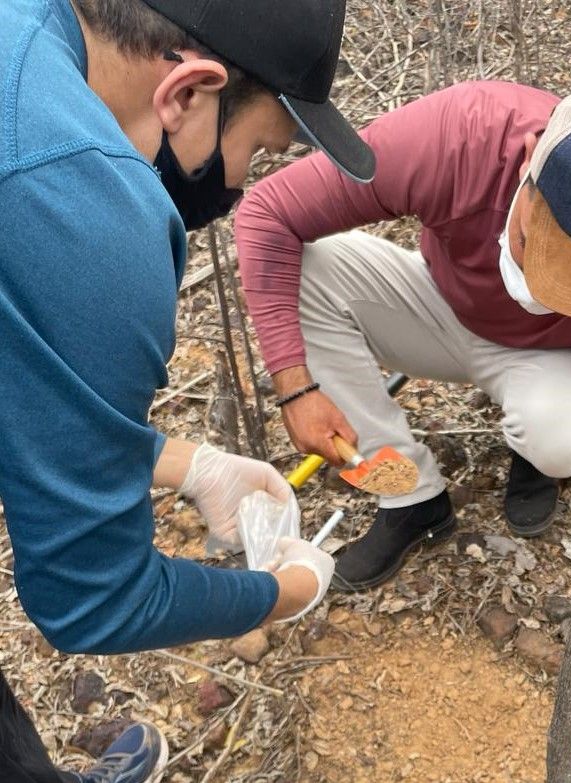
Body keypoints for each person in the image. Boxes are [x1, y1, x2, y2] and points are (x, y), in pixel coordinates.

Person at [234, 79, 571, 734]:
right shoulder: (459, 135)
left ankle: (534, 458)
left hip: (552, 357)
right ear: (526, 163)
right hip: (437, 301)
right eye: (538, 249)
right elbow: (268, 213)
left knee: (561, 435)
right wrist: (293, 383)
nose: (547, 287)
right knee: (311, 274)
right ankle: (407, 496)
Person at [0, 0, 373, 780]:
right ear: (186, 92)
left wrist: (182, 464)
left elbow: (19, 375)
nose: (240, 181)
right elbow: (91, 599)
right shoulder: (88, 205)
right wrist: (278, 591)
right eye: (260, 150)